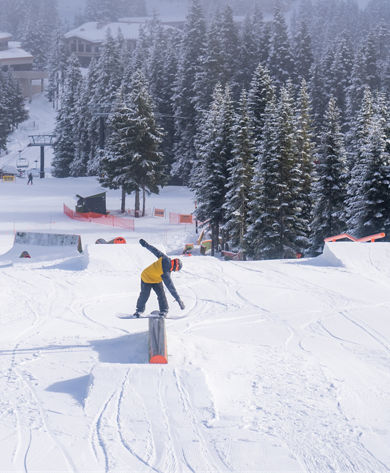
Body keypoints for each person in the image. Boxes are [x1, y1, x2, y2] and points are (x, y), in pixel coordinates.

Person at [134, 239, 185, 318]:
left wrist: (146, 245)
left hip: (154, 279)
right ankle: (143, 310)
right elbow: (171, 288)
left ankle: (140, 310)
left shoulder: (165, 259)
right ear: (175, 268)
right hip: (146, 278)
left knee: (150, 295)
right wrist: (178, 299)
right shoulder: (166, 274)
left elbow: (155, 250)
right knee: (149, 294)